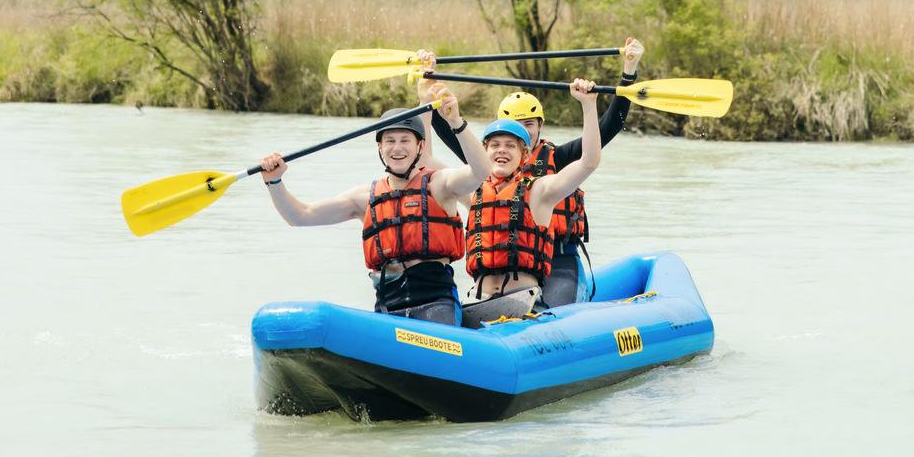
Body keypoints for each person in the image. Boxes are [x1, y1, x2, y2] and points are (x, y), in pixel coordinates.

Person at [425, 36, 644, 307]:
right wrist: (430, 82)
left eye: (529, 123)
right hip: (505, 266)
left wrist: (627, 73)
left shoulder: (558, 158)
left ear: (540, 125)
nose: (522, 132)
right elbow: (449, 131)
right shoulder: (488, 164)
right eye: (511, 126)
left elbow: (607, 130)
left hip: (559, 258)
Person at [258, 80, 487, 326]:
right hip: (388, 311)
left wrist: (455, 122)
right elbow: (300, 216)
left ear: (420, 146)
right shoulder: (364, 198)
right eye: (390, 141)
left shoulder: (440, 185)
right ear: (380, 147)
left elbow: (481, 171)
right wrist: (275, 182)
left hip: (436, 305)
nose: (397, 148)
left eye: (404, 140)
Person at [460, 77, 605, 325]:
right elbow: (426, 163)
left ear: (524, 154)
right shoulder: (473, 189)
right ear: (483, 153)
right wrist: (435, 107)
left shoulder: (539, 191)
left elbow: (589, 161)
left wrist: (588, 106)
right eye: (494, 145)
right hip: (480, 300)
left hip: (523, 302)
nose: (501, 151)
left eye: (509, 146)